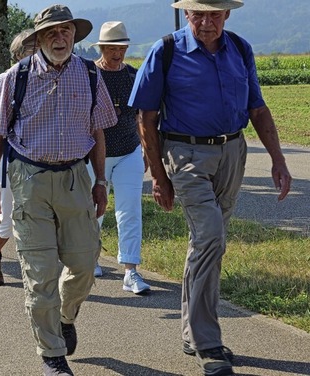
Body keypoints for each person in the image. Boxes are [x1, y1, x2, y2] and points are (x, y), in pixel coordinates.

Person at [129, 1, 292, 375]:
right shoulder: (166, 50)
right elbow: (146, 118)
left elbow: (258, 109)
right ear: (186, 16)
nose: (206, 22)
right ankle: (207, 344)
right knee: (211, 236)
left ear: (227, 15)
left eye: (214, 14)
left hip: (233, 151)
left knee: (206, 244)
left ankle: (191, 331)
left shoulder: (240, 48)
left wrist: (278, 159)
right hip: (185, 154)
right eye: (197, 14)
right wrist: (158, 175)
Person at [0, 5, 117, 375]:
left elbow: (98, 132)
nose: (60, 39)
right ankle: (52, 355)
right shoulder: (16, 76)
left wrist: (101, 181)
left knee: (85, 263)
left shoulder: (89, 74)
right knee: (40, 274)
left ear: (75, 34)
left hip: (76, 179)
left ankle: (65, 316)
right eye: (51, 33)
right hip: (30, 182)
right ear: (39, 39)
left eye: (66, 31)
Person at [87, 21, 151, 294]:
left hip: (128, 152)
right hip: (92, 155)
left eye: (122, 48)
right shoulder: (89, 74)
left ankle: (130, 272)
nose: (118, 53)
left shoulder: (134, 76)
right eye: (112, 48)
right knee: (91, 211)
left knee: (130, 211)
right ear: (101, 48)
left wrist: (147, 150)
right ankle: (90, 259)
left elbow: (142, 116)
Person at [0, 29, 36, 286]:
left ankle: (38, 269)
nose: (37, 53)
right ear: (18, 55)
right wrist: (4, 137)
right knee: (5, 218)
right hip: (11, 157)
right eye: (31, 49)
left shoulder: (50, 77)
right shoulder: (5, 79)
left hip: (39, 160)